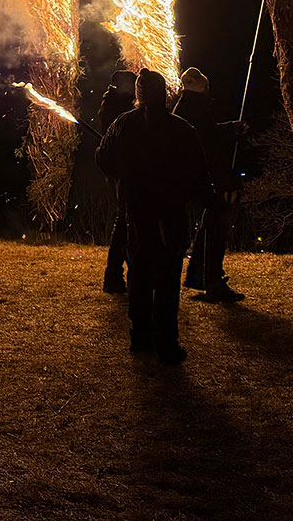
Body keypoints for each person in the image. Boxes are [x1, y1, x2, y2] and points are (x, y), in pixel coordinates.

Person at [97, 68, 210, 364]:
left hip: (138, 213)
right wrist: (208, 199)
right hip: (169, 214)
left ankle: (142, 337)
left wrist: (121, 179)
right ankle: (166, 343)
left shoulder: (124, 125)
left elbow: (103, 158)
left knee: (140, 275)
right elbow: (198, 171)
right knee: (167, 278)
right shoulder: (181, 129)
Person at [172, 67, 247, 302]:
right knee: (216, 225)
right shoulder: (193, 106)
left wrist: (229, 129)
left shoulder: (186, 104)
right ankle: (211, 280)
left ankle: (201, 277)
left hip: (193, 173)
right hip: (201, 174)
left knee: (211, 223)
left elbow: (207, 133)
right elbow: (206, 138)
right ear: (200, 86)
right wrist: (231, 131)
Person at [96, 70, 137, 294]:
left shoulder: (118, 103)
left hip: (124, 170)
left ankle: (124, 273)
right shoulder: (116, 108)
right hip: (123, 171)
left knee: (126, 221)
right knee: (124, 222)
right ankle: (115, 276)